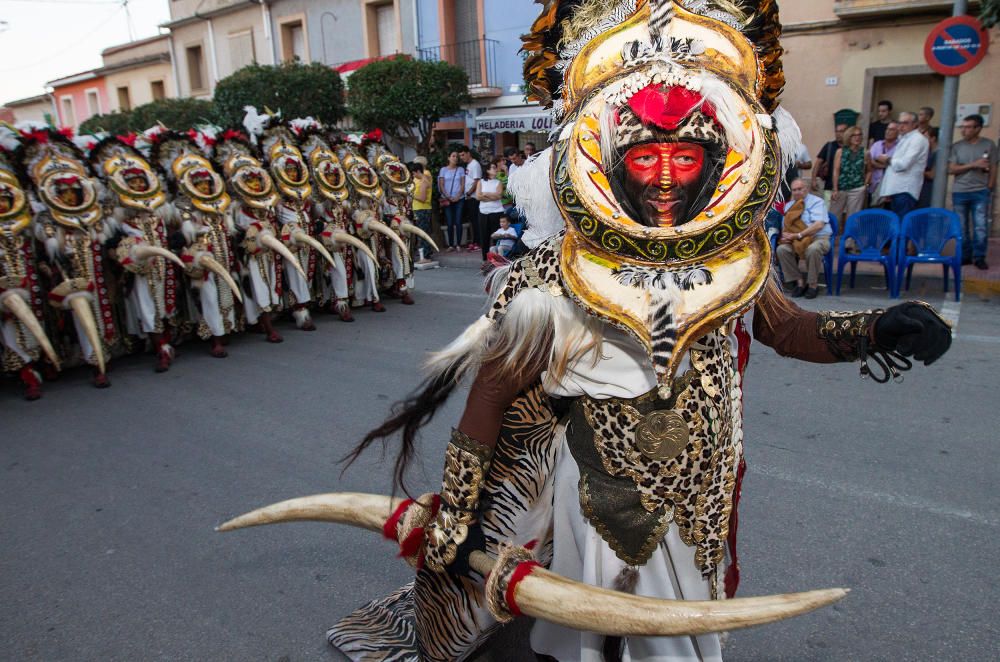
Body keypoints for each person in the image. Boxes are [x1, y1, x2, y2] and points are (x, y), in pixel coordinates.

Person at [223, 5, 954, 661]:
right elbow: (492, 395)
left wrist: (878, 328)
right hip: (600, 491)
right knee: (602, 630)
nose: (666, 176)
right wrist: (463, 511)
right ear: (607, 162)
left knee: (686, 620)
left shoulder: (737, 258)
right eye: (644, 156)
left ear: (716, 159)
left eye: (685, 156)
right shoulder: (553, 273)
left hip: (702, 485)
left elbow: (790, 332)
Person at [948, 114, 996, 270]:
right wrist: (973, 164)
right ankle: (965, 255)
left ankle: (979, 256)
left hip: (980, 190)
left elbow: (993, 167)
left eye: (968, 127)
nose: (964, 130)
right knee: (961, 227)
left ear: (978, 128)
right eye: (963, 126)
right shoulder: (957, 146)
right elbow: (951, 169)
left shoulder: (988, 145)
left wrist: (990, 185)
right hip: (960, 191)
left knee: (980, 226)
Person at [776, 178, 832, 299]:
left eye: (799, 189)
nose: (796, 192)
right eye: (794, 190)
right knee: (782, 249)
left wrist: (799, 235)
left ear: (806, 189)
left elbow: (819, 225)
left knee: (813, 249)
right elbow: (785, 228)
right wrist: (785, 237)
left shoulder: (817, 202)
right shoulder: (789, 206)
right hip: (795, 239)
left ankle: (812, 285)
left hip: (818, 237)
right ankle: (799, 282)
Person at [875, 111, 929, 220]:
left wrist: (887, 159)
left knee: (902, 225)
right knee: (895, 224)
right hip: (897, 190)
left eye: (905, 123)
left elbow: (903, 164)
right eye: (899, 123)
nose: (901, 126)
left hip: (905, 190)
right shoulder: (904, 138)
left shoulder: (917, 139)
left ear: (915, 124)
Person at [830, 126, 867, 225]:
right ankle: (830, 238)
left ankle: (849, 240)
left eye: (859, 135)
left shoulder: (865, 152)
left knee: (853, 217)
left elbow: (869, 170)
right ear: (848, 137)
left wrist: (865, 184)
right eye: (854, 135)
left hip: (857, 188)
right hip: (841, 187)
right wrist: (835, 188)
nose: (857, 137)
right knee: (834, 215)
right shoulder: (840, 151)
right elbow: (836, 170)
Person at [475, 158, 506, 261]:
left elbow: (499, 196)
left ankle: (496, 258)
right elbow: (478, 196)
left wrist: (486, 194)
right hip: (483, 212)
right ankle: (485, 258)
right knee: (484, 236)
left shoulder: (498, 182)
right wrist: (492, 196)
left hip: (496, 212)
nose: (495, 169)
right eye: (493, 168)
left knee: (495, 236)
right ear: (487, 170)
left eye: (495, 168)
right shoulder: (481, 182)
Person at [438, 151, 465, 251]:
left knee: (458, 221)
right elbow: (441, 185)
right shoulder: (443, 170)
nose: (455, 158)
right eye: (453, 156)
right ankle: (450, 245)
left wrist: (458, 196)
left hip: (459, 199)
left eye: (457, 157)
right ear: (448, 158)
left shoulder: (461, 169)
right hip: (447, 199)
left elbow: (463, 184)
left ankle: (458, 244)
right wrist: (448, 196)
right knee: (449, 222)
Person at [812, 123, 847, 200]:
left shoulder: (850, 148)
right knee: (828, 210)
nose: (838, 134)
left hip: (847, 188)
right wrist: (813, 179)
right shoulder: (829, 146)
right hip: (829, 186)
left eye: (841, 131)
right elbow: (818, 163)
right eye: (836, 131)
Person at [868, 121, 899, 205]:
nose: (888, 131)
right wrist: (885, 165)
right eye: (887, 129)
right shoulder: (877, 145)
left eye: (892, 129)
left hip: (891, 188)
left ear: (898, 132)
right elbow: (868, 161)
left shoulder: (900, 147)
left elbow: (898, 166)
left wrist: (877, 163)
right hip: (873, 185)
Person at [410, 162, 435, 263]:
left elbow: (423, 198)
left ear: (418, 171)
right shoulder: (421, 180)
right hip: (419, 209)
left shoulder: (424, 181)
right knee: (422, 233)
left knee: (423, 233)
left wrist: (411, 195)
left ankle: (426, 256)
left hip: (422, 209)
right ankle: (425, 255)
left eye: (413, 173)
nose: (413, 176)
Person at [459, 146, 482, 251]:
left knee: (476, 221)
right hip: (469, 197)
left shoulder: (475, 164)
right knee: (472, 220)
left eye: (463, 154)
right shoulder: (468, 165)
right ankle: (474, 241)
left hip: (473, 197)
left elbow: (477, 181)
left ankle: (478, 242)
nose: (461, 157)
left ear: (468, 153)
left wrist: (469, 193)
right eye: (460, 155)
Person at [918, 126, 940, 209]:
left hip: (929, 189)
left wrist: (916, 170)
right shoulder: (928, 152)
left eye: (925, 137)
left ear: (933, 138)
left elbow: (932, 175)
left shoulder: (938, 154)